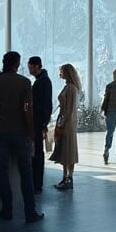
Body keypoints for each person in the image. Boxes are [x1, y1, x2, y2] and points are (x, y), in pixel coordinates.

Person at [0, 50, 43, 223]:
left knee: (2, 171)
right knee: (26, 172)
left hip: (1, 132)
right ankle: (30, 213)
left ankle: (7, 210)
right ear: (17, 64)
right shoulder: (24, 82)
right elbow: (28, 109)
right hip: (20, 132)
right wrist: (30, 131)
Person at [50, 63, 81, 191]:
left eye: (62, 71)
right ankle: (66, 177)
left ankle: (69, 178)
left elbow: (69, 109)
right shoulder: (69, 87)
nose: (60, 74)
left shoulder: (71, 88)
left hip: (67, 122)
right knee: (65, 149)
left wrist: (61, 122)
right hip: (65, 120)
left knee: (68, 149)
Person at [27, 56, 52, 195]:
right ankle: (36, 183)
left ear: (36, 66)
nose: (29, 69)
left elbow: (46, 104)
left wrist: (43, 123)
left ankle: (37, 183)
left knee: (37, 153)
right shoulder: (42, 81)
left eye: (30, 66)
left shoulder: (43, 82)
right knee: (36, 152)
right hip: (38, 122)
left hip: (37, 123)